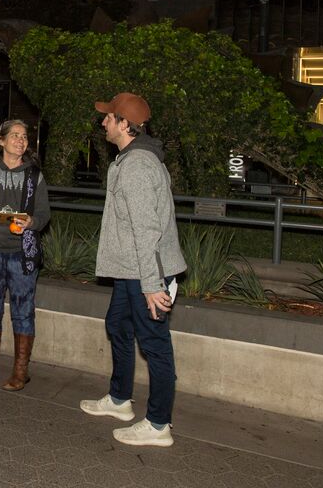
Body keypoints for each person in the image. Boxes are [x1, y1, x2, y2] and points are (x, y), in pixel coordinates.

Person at [79, 92, 187, 447]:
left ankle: (158, 425)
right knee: (118, 326)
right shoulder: (130, 160)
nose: (104, 122)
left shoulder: (138, 166)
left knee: (155, 345)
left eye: (109, 117)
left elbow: (146, 229)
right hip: (131, 271)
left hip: (145, 273)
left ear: (125, 124)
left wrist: (153, 284)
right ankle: (120, 400)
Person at [0, 119, 51, 390]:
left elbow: (43, 214)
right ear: (1, 141)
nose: (21, 140)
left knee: (23, 311)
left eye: (24, 136)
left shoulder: (34, 175)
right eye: (14, 135)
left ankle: (20, 370)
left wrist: (32, 223)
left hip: (21, 253)